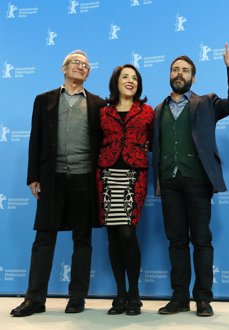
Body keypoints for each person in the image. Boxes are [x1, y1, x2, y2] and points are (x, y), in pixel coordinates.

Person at [152, 41, 229, 317]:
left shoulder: (206, 102)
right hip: (169, 182)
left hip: (197, 181)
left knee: (202, 241)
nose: (179, 73)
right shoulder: (158, 110)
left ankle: (203, 299)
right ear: (170, 75)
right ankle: (179, 297)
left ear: (193, 77)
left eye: (185, 70)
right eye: (175, 70)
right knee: (176, 241)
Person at [10, 50, 106, 317]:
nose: (81, 67)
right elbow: (36, 139)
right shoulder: (44, 100)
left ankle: (77, 297)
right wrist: (33, 176)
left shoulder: (98, 104)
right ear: (64, 69)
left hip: (84, 178)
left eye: (86, 65)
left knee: (82, 239)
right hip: (52, 179)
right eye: (76, 63)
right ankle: (35, 299)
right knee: (44, 238)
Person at [96, 64, 154, 315]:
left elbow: (153, 140)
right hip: (107, 174)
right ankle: (119, 294)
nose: (130, 81)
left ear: (139, 84)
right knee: (113, 235)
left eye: (134, 78)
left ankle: (134, 294)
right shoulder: (103, 112)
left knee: (128, 234)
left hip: (134, 175)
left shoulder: (147, 111)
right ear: (116, 82)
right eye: (125, 77)